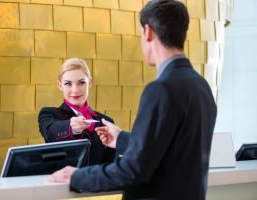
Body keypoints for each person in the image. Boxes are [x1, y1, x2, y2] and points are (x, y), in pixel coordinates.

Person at [48, 1, 217, 200]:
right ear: (184, 34)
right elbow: (168, 153)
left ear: (148, 32)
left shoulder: (160, 89)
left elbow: (132, 170)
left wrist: (77, 176)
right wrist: (121, 138)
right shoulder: (201, 86)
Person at [38, 58, 115, 165]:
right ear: (60, 85)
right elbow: (50, 132)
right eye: (68, 84)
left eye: (81, 83)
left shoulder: (106, 121)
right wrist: (72, 127)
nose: (75, 90)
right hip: (63, 181)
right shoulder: (49, 114)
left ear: (90, 83)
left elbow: (111, 165)